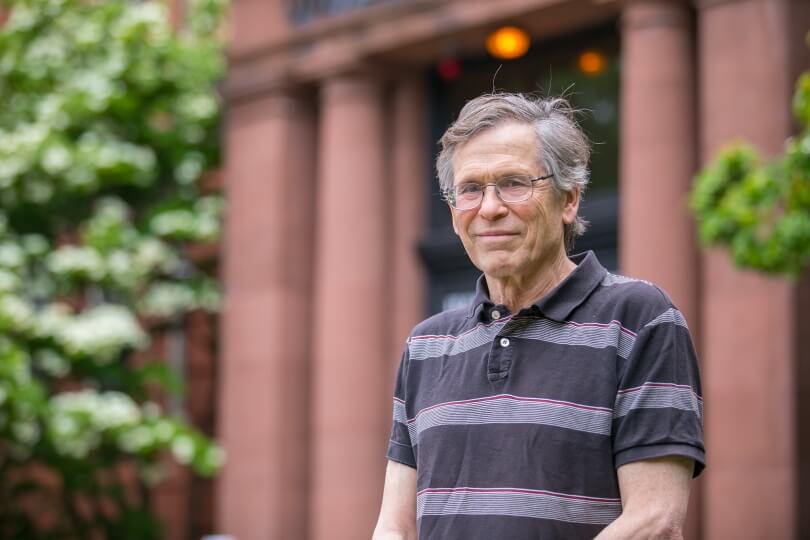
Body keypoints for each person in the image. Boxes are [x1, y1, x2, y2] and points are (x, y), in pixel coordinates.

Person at [372, 93, 705, 539]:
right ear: (453, 212)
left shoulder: (640, 319)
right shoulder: (425, 346)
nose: (489, 208)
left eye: (514, 183)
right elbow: (395, 527)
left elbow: (654, 522)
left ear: (568, 200)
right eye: (470, 189)